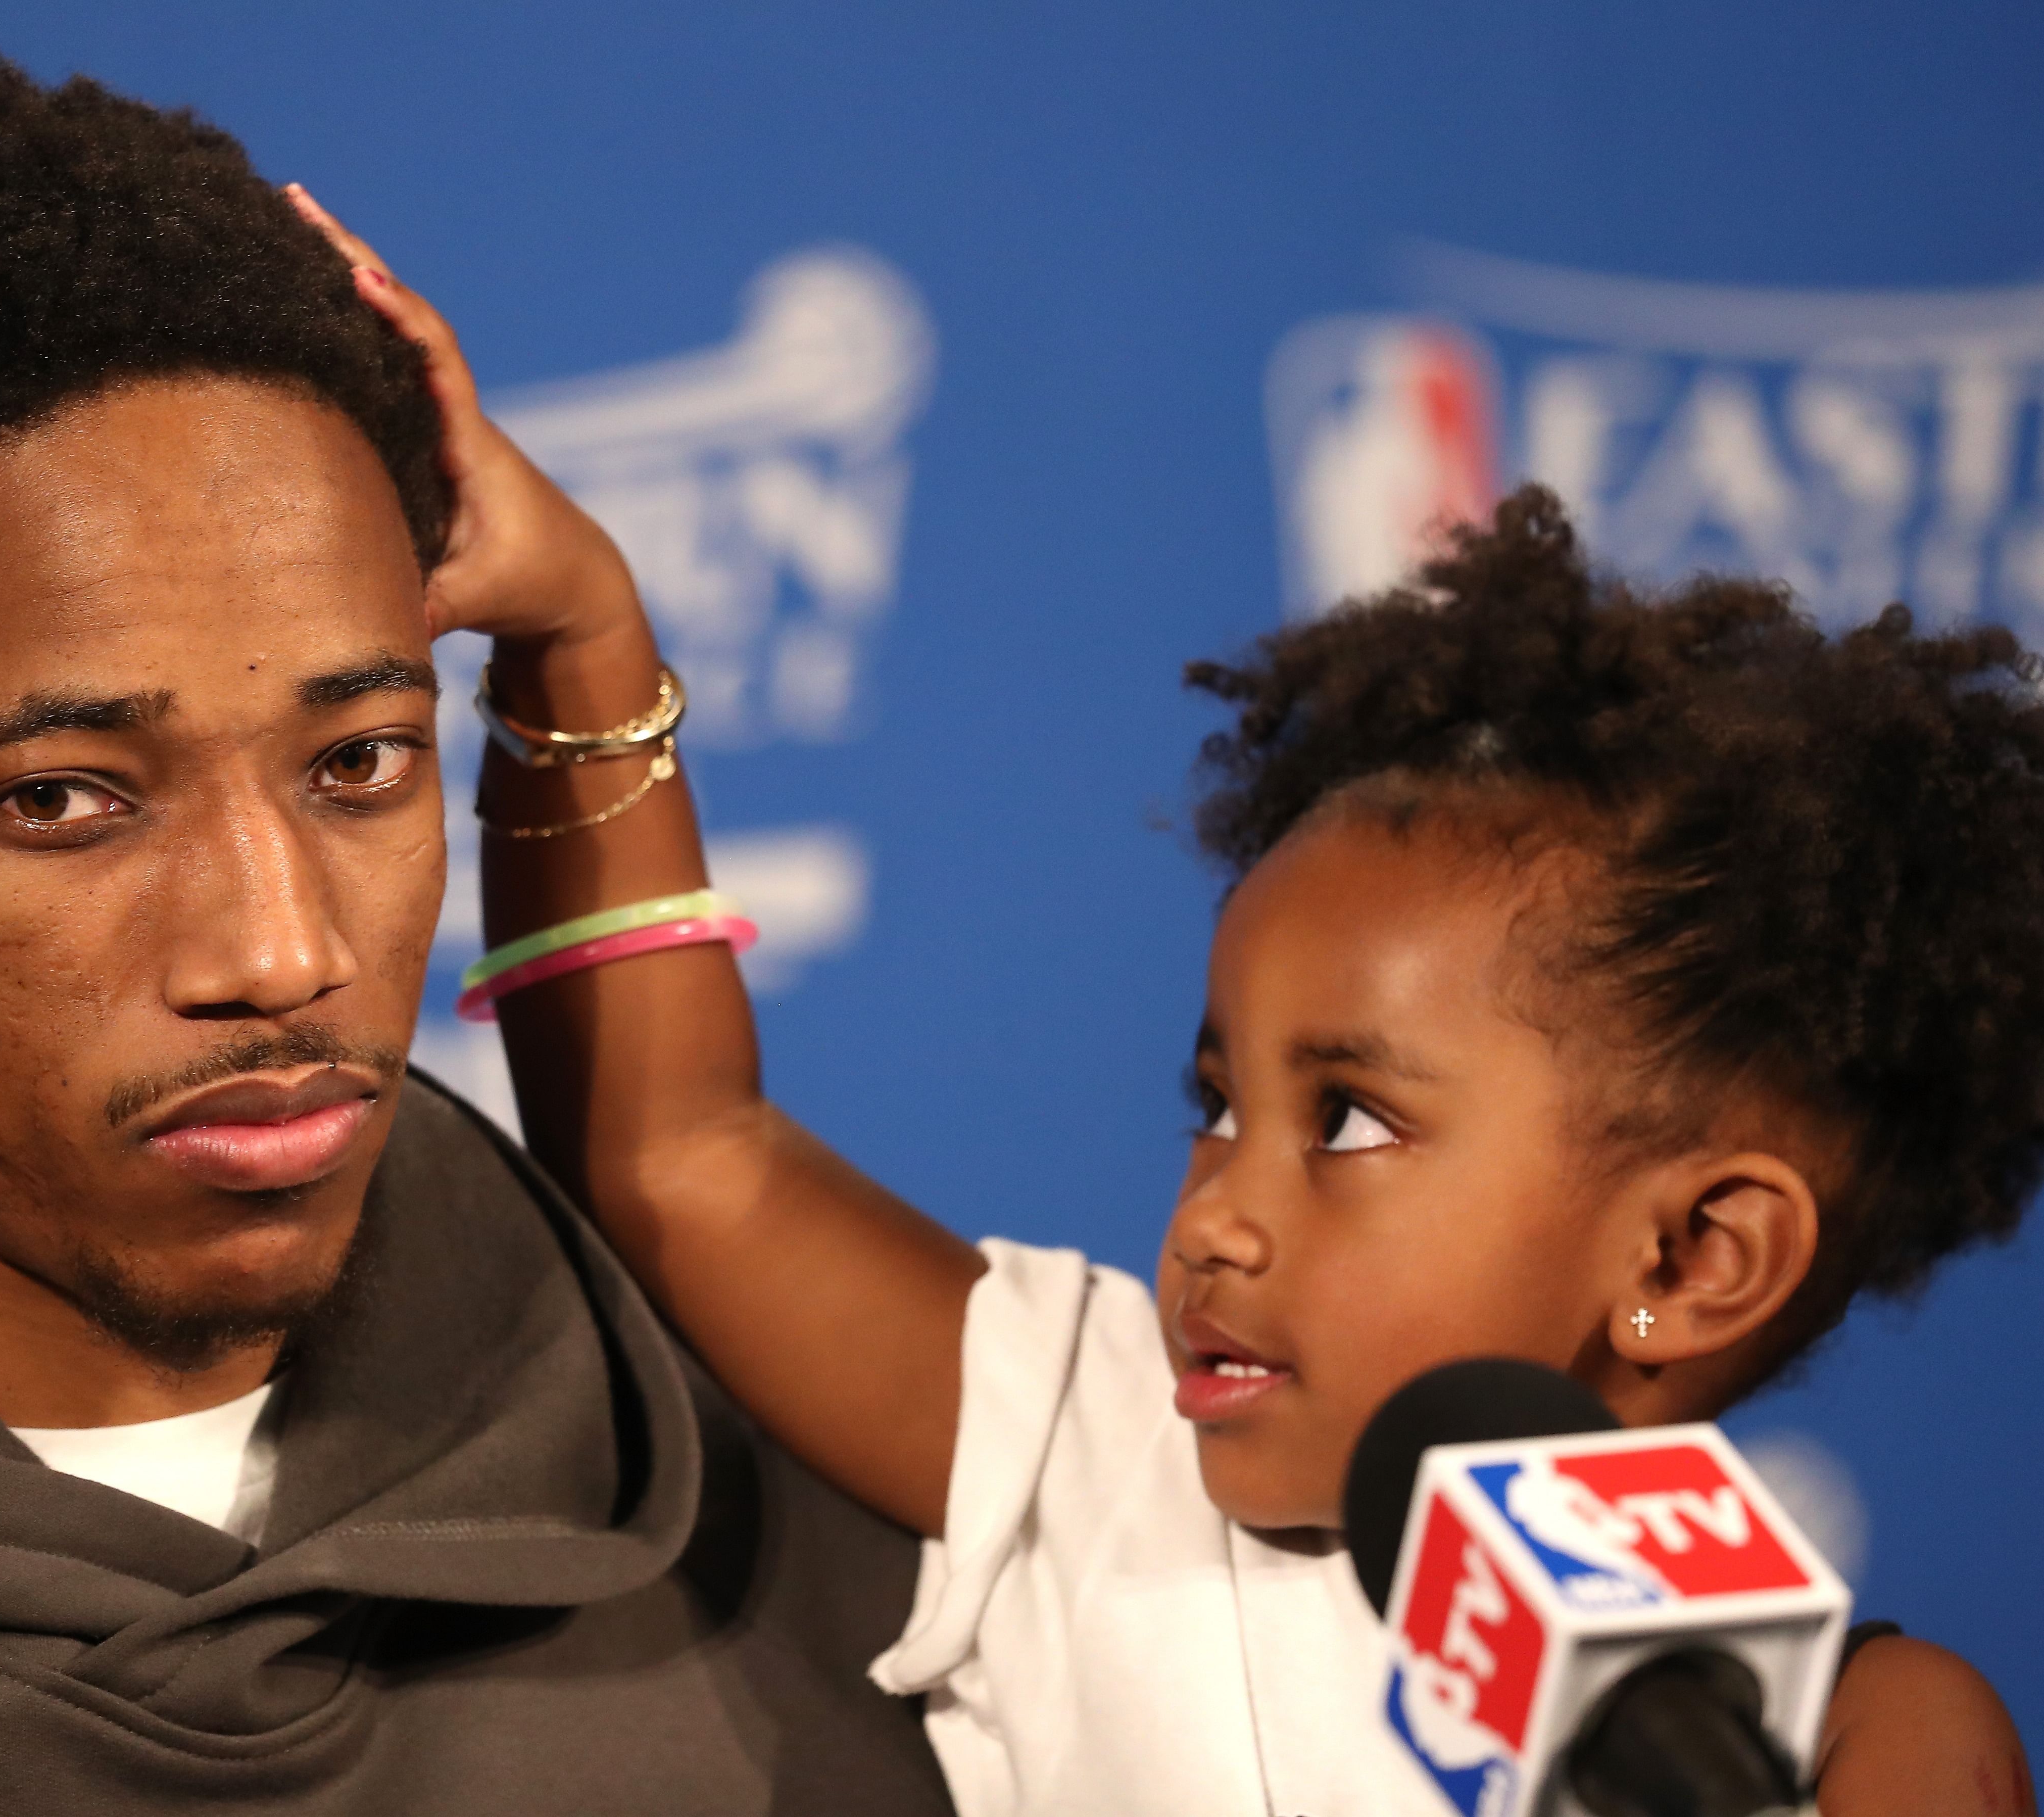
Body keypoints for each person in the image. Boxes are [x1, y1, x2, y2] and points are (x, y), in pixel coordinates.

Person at [351, 179, 2038, 1812]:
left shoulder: (1861, 1729)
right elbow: (682, 1153)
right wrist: (582, 638)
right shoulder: (1092, 1455)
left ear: (1689, 1256)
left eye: (1350, 1121)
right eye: (1216, 1107)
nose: (1216, 1215)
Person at [0, 57, 956, 1815]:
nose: (279, 948)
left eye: (357, 763)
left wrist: (587, 641)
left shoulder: (808, 1497)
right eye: (67, 799)